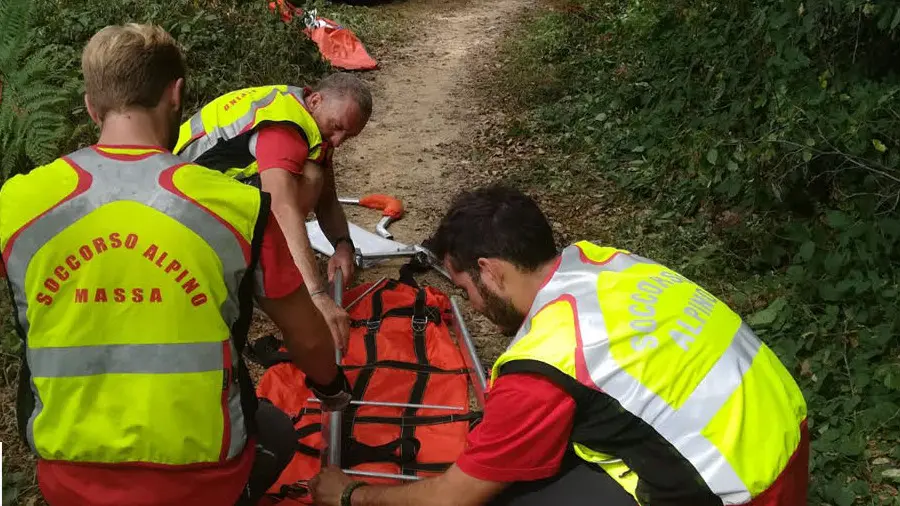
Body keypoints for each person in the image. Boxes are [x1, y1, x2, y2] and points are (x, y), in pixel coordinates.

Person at [0, 23, 352, 506]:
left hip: (69, 479)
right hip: (204, 479)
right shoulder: (237, 207)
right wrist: (331, 388)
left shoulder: (18, 202)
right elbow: (308, 337)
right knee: (278, 433)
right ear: (176, 94)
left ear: (90, 104)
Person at [309, 185, 810, 506]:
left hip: (742, 491)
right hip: (783, 439)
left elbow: (454, 496)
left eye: (465, 290)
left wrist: (353, 494)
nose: (474, 306)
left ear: (490, 271)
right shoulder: (605, 261)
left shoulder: (543, 363)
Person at [172, 73, 373, 353]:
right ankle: (257, 272)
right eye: (337, 127)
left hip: (199, 190)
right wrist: (316, 296)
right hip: (178, 208)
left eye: (348, 136)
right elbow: (282, 206)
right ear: (316, 100)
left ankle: (261, 265)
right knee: (308, 177)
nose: (338, 141)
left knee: (314, 176)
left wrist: (343, 245)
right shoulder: (284, 127)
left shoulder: (304, 112)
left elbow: (327, 199)